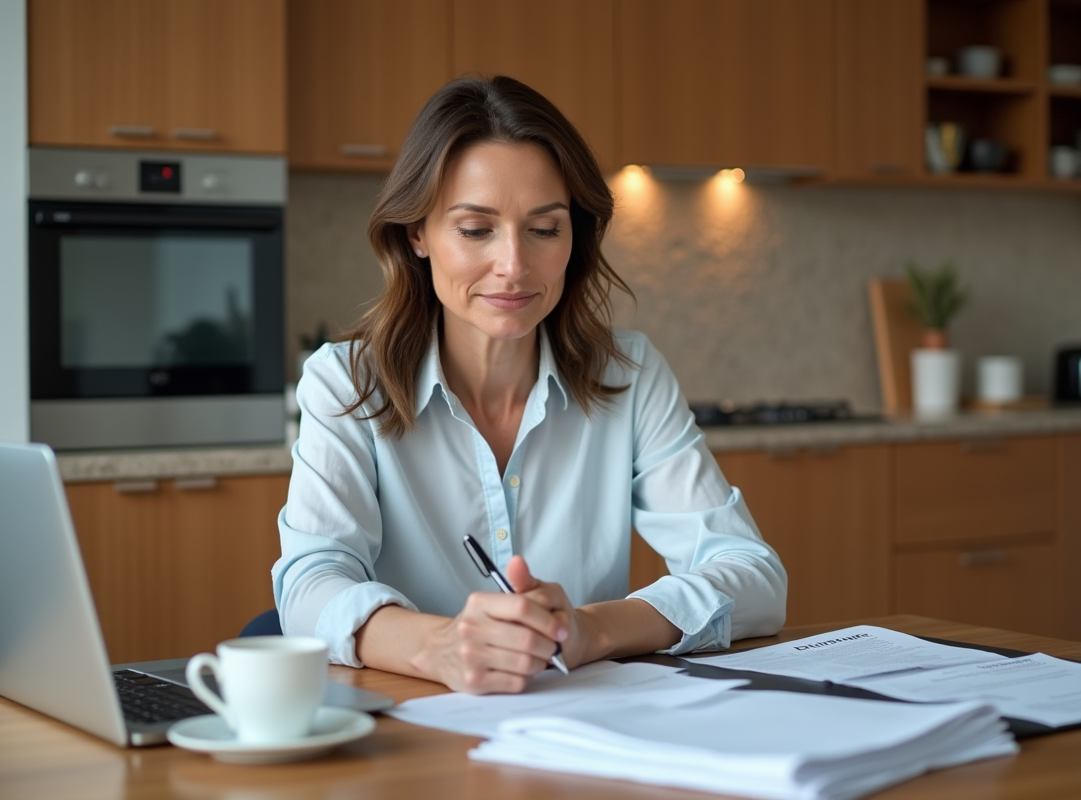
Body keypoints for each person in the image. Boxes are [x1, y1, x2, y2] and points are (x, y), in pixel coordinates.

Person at [273, 75, 786, 695]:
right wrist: (438, 646)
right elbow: (309, 584)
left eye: (544, 230)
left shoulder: (629, 374)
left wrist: (593, 629)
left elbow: (753, 577)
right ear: (417, 234)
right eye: (474, 229)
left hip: (580, 728)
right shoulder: (346, 381)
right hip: (411, 728)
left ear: (575, 238)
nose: (514, 266)